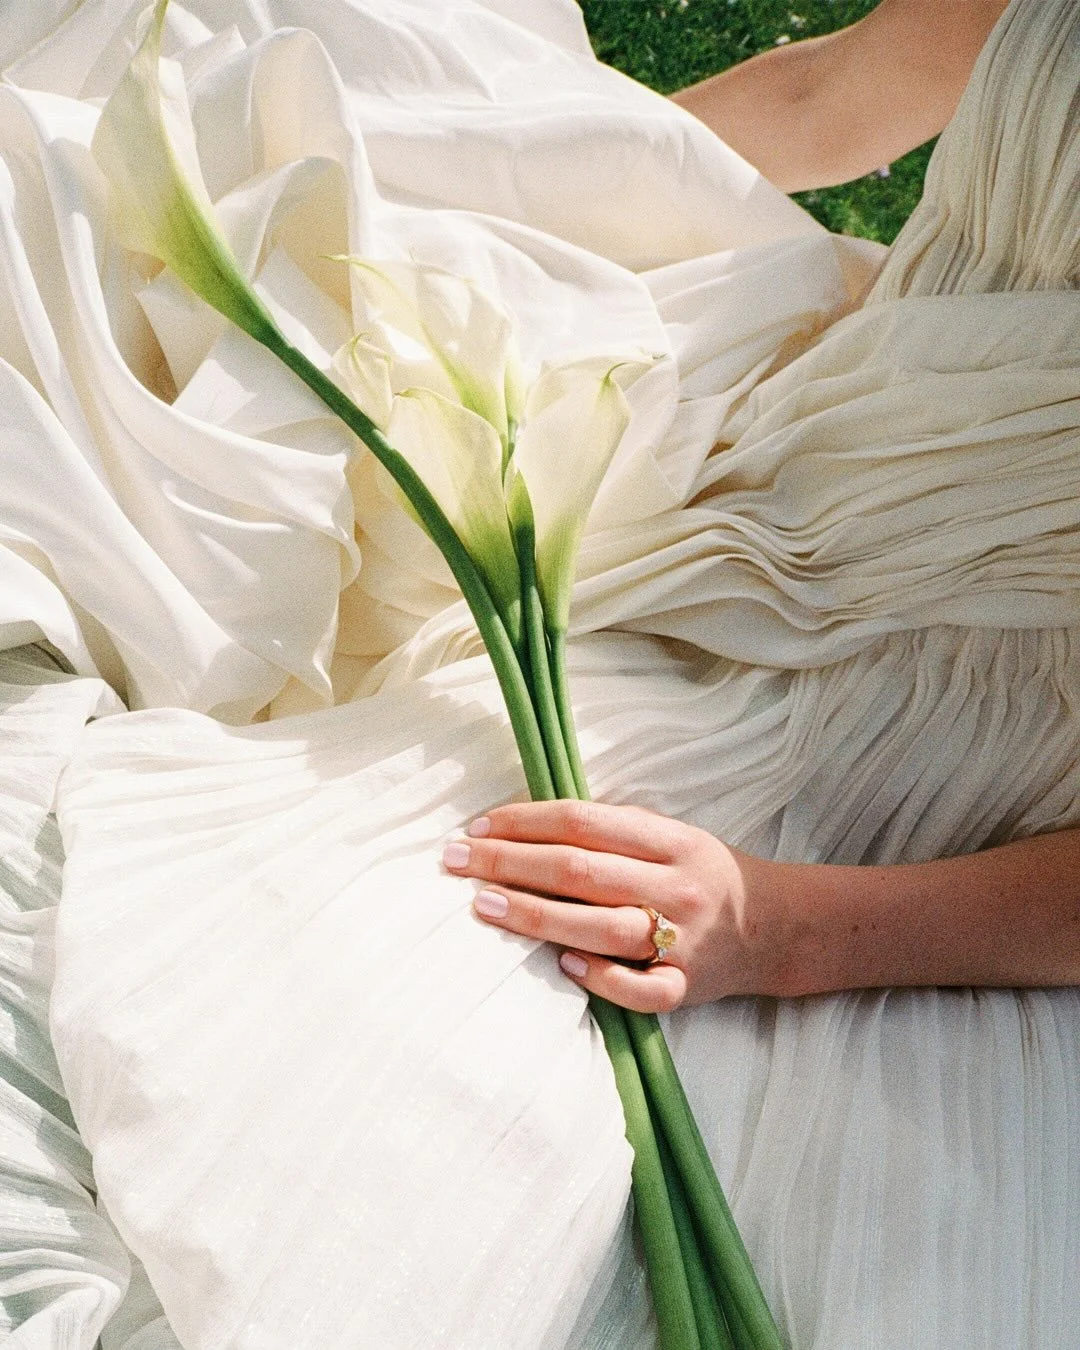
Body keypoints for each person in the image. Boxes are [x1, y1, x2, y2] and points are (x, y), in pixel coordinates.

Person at [1, 0, 1077, 1347]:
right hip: (795, 481)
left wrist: (776, 927)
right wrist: (546, 213)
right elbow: (830, 95)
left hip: (968, 762)